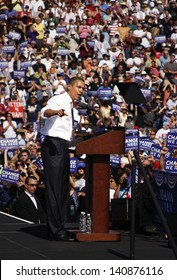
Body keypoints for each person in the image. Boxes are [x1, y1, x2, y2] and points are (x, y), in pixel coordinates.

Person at [40, 77, 85, 241]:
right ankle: (55, 230)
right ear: (70, 87)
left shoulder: (73, 107)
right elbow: (44, 112)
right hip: (53, 146)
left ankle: (57, 228)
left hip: (64, 147)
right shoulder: (58, 99)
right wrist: (55, 112)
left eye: (83, 88)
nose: (81, 91)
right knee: (54, 189)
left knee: (62, 189)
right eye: (79, 87)